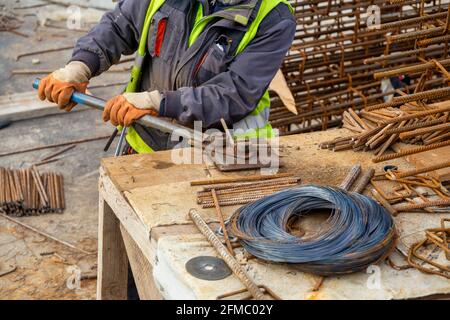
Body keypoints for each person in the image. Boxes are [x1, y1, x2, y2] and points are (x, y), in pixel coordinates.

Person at [38, 0, 296, 154]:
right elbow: (119, 26)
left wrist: (159, 103)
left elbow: (236, 93)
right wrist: (81, 65)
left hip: (218, 159)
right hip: (146, 145)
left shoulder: (273, 18)